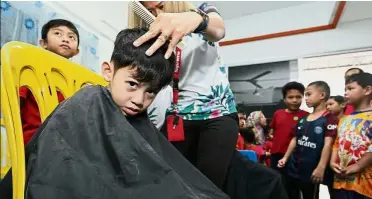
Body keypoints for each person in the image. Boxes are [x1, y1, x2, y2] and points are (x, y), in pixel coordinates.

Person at [0, 28, 230, 199]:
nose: (139, 100)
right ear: (108, 71)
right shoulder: (88, 103)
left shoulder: (132, 115)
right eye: (132, 84)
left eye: (151, 92)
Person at [128, 1, 238, 189]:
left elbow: (219, 30)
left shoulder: (202, 10)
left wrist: (196, 19)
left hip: (217, 113)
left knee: (208, 186)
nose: (157, 14)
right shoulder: (150, 34)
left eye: (161, 6)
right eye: (150, 10)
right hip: (177, 115)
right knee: (171, 182)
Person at [20, 19, 80, 145]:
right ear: (43, 43)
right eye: (58, 33)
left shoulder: (78, 82)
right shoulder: (31, 68)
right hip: (32, 140)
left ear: (77, 51)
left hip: (65, 145)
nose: (65, 39)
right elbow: (14, 103)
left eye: (72, 37)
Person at [278, 81, 338, 199]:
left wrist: (321, 167)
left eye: (309, 94)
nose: (306, 98)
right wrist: (285, 158)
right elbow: (295, 139)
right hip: (295, 168)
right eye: (305, 95)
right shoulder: (303, 119)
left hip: (313, 170)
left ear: (322, 95)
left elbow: (328, 144)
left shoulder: (329, 119)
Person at [330, 73, 372, 199]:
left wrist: (358, 166)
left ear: (367, 90)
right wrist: (332, 162)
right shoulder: (344, 119)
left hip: (366, 185)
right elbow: (337, 143)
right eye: (345, 90)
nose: (346, 93)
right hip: (342, 182)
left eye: (350, 89)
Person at [270, 82, 309, 191]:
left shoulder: (306, 115)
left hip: (295, 157)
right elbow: (274, 132)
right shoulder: (278, 114)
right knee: (277, 186)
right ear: (284, 99)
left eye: (298, 97)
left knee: (293, 188)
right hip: (276, 155)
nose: (294, 100)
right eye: (290, 97)